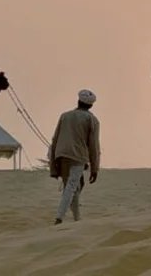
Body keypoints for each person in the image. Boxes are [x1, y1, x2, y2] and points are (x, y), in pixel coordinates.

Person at [49, 89, 101, 225]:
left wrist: (52, 164)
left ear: (78, 101)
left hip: (61, 155)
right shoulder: (92, 119)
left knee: (74, 186)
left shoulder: (65, 116)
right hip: (78, 156)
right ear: (91, 105)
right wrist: (95, 169)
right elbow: (94, 146)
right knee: (71, 186)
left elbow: (55, 140)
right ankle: (59, 217)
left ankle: (77, 219)